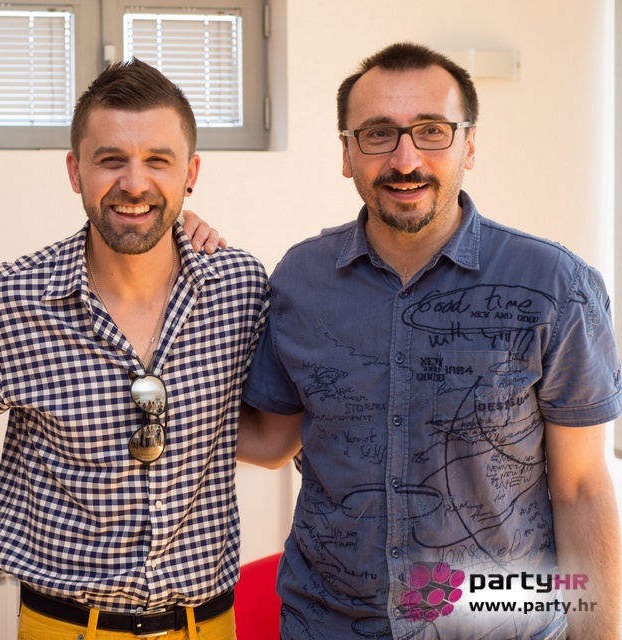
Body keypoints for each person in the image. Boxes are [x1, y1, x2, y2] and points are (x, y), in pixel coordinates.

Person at [238, 42, 622, 639]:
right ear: (347, 153)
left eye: (432, 131)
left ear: (469, 144)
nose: (406, 159)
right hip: (328, 625)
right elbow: (272, 439)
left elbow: (581, 489)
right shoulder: (300, 279)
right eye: (378, 134)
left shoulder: (555, 285)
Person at [0, 58, 268, 639]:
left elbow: (286, 434)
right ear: (75, 170)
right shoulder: (12, 301)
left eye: (158, 161)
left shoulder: (240, 288)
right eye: (111, 160)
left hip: (207, 625)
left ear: (191, 173)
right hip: (63, 627)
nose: (133, 182)